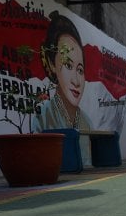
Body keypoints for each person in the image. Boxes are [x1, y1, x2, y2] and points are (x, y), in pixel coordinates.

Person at [33, 11, 92, 162]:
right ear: (52, 64)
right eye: (68, 65)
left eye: (80, 70)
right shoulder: (43, 116)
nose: (76, 81)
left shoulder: (87, 121)